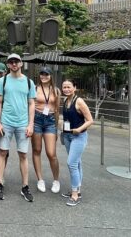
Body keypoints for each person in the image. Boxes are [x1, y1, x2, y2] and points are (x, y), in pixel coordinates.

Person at [0, 53, 36, 202]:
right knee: (2, 152)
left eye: (16, 61)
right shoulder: (3, 80)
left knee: (23, 154)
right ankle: (0, 182)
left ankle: (25, 186)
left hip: (23, 123)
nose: (13, 64)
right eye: (11, 62)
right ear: (8, 65)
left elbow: (32, 104)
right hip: (6, 121)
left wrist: (31, 124)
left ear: (21, 63)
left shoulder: (29, 82)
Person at [61, 78, 93, 206]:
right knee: (77, 163)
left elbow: (90, 120)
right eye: (64, 87)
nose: (66, 89)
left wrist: (78, 129)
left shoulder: (79, 101)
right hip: (68, 136)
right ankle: (77, 190)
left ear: (75, 88)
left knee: (71, 163)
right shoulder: (65, 100)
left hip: (79, 137)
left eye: (69, 87)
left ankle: (74, 194)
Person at [31, 66, 61, 194]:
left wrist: (57, 128)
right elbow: (30, 106)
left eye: (46, 74)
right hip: (36, 120)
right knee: (37, 150)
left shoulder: (56, 91)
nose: (44, 76)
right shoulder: (34, 88)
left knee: (51, 153)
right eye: (42, 74)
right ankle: (40, 179)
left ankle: (56, 180)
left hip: (50, 121)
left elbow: (57, 109)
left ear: (50, 76)